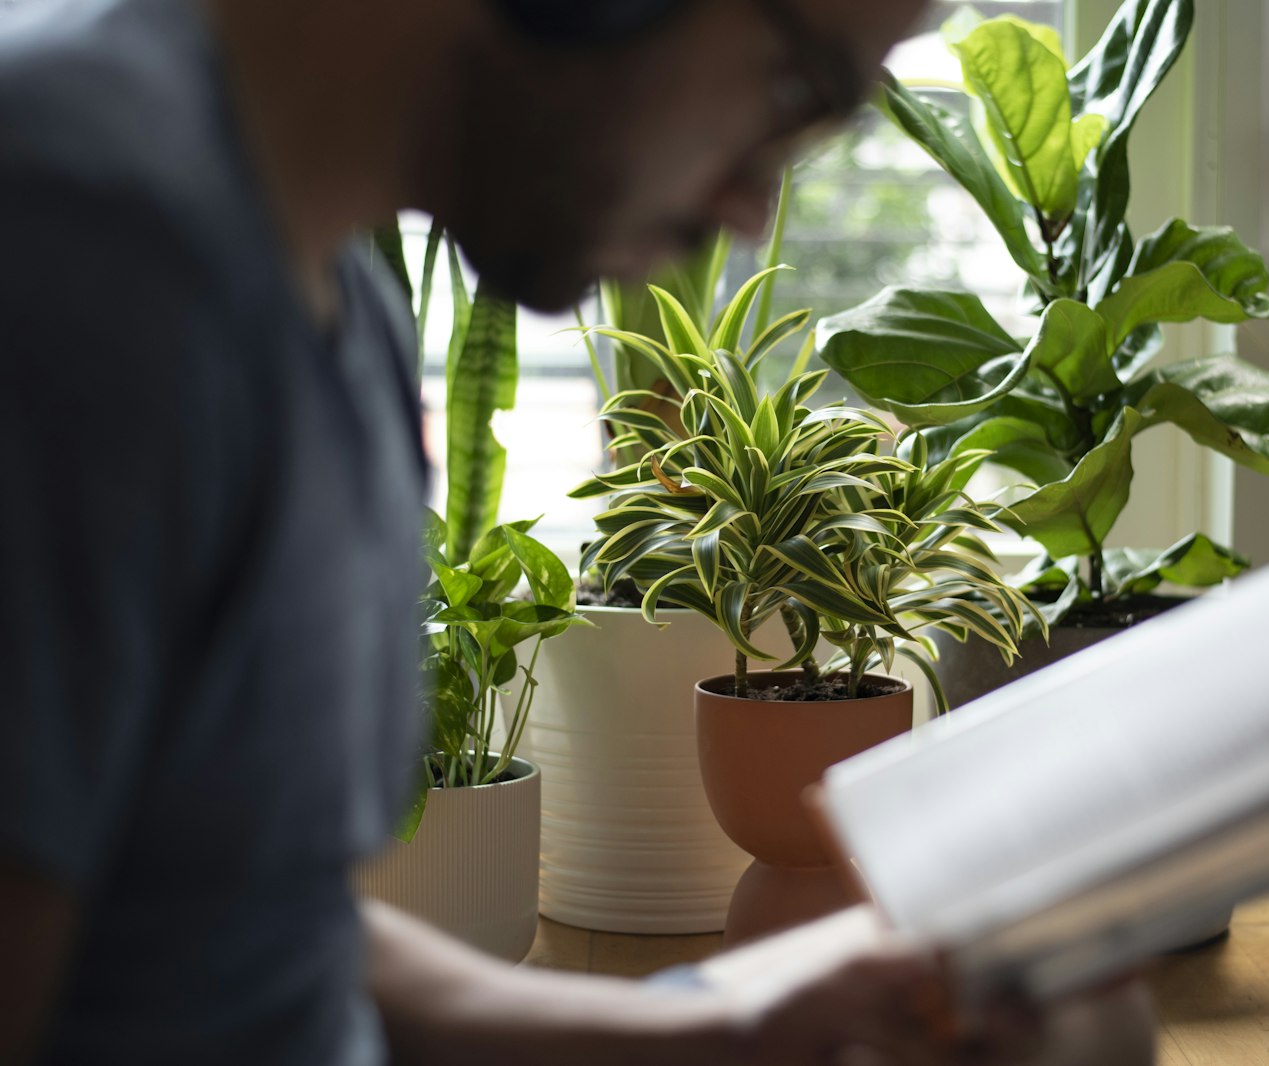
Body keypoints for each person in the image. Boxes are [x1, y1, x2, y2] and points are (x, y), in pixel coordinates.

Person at [0, 0, 1155, 1062]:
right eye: (798, 85)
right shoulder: (73, 253)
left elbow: (248, 930)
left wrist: (731, 1027)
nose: (752, 204)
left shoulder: (338, 302)